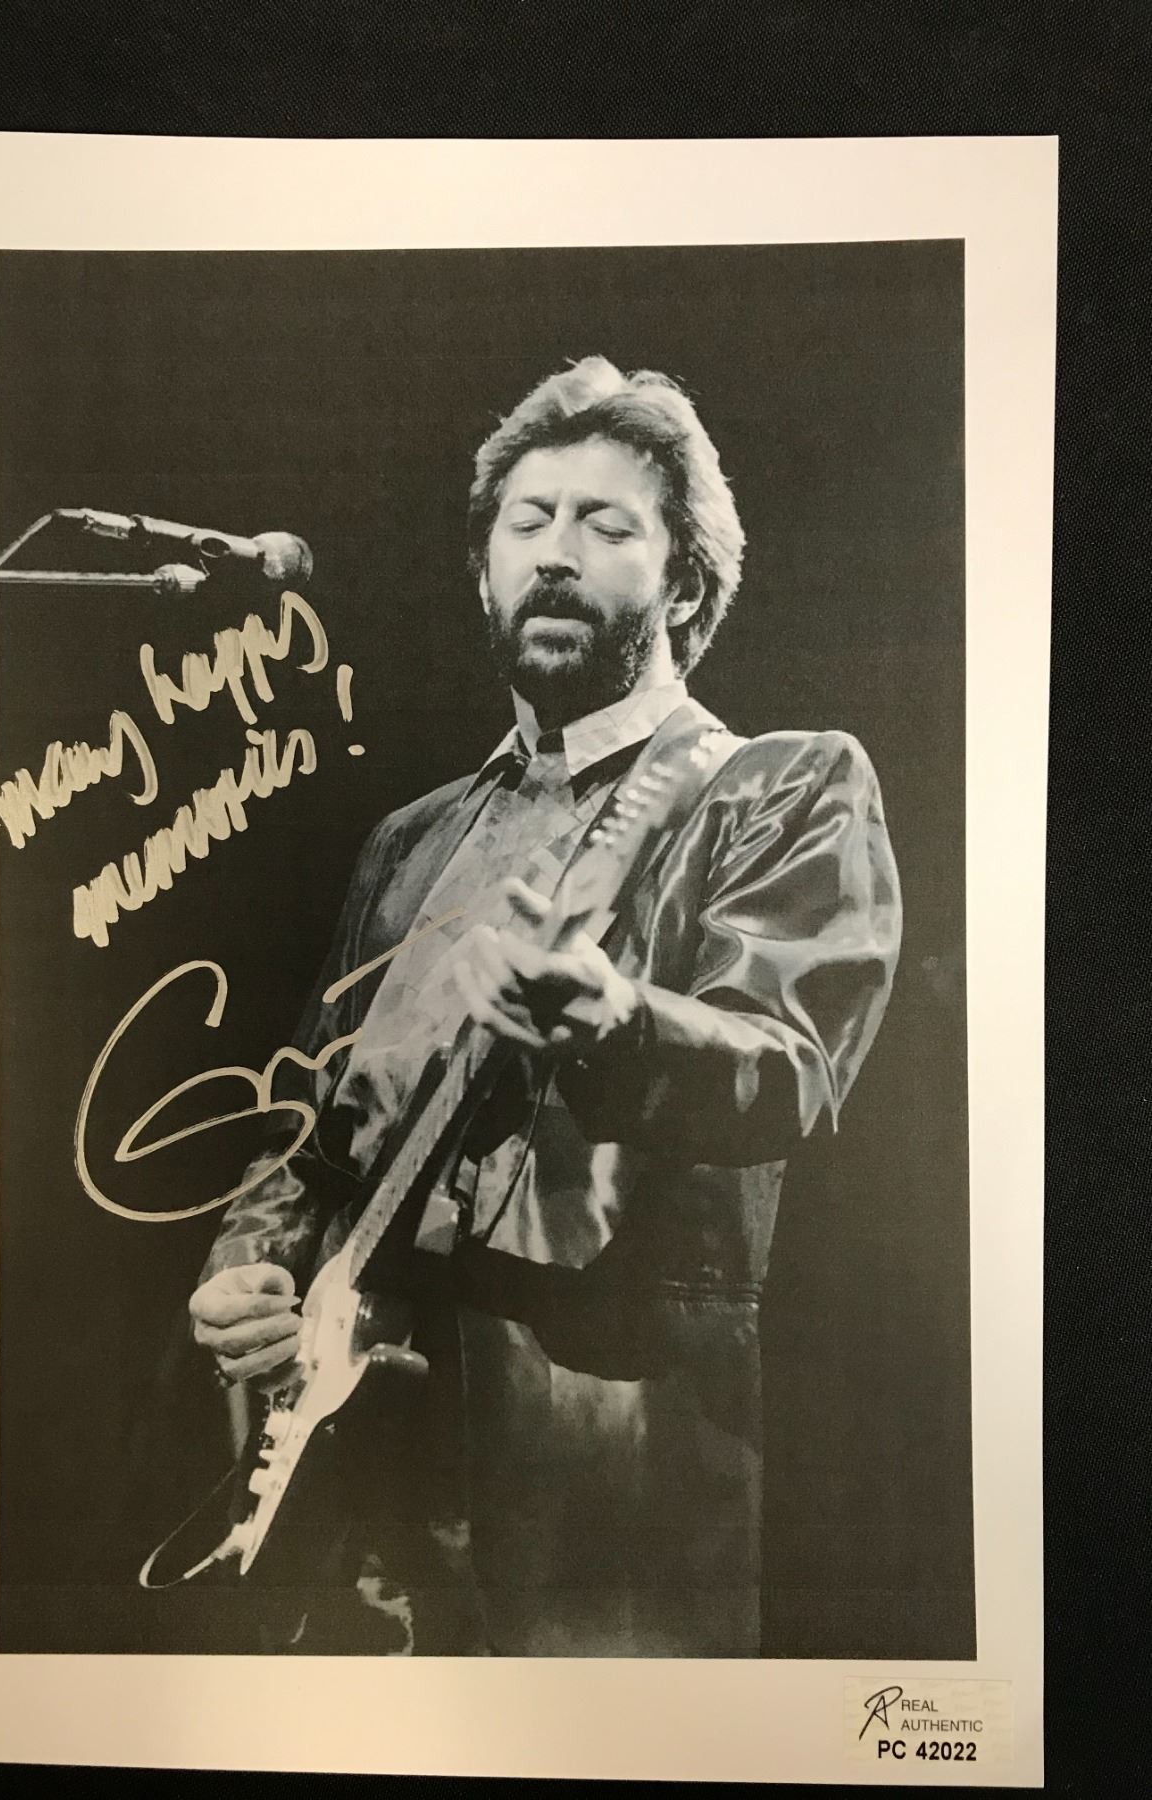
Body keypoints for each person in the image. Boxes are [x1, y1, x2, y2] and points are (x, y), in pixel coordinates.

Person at [187, 355, 902, 1657]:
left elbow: (788, 1070)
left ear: (684, 584)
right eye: (528, 523)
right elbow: (305, 1126)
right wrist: (247, 1261)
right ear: (483, 574)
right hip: (354, 1490)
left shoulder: (777, 786)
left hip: (602, 1483)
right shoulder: (410, 841)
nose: (555, 555)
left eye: (605, 526)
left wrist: (612, 1020)